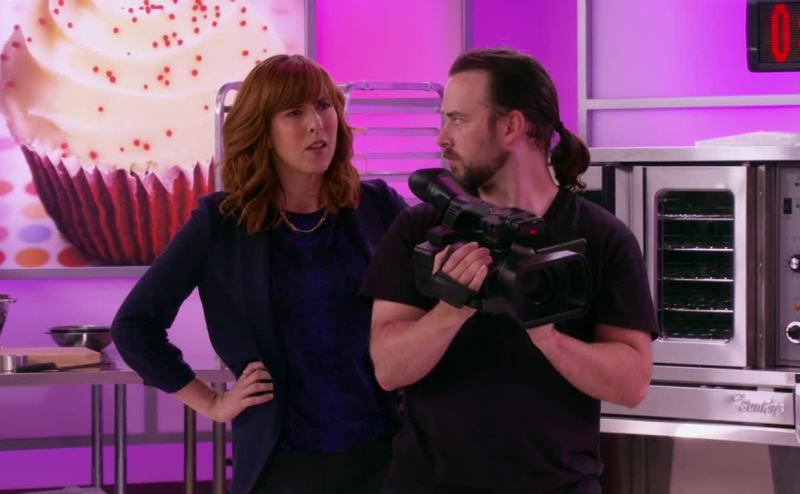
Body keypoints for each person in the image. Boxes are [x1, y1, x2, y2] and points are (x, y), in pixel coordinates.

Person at [360, 48, 657, 493]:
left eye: (458, 120)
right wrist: (452, 309)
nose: (442, 138)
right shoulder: (418, 227)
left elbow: (631, 383)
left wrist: (548, 336)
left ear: (511, 127)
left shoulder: (602, 237)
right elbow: (388, 368)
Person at [111, 54, 407, 494]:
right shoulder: (221, 223)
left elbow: (430, 299)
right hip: (282, 465)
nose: (316, 124)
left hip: (386, 458)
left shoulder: (377, 206)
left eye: (324, 106)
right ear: (263, 133)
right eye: (294, 113)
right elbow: (134, 326)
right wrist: (212, 403)